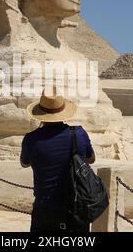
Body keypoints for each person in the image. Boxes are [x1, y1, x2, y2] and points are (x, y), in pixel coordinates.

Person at [20, 86, 95, 232]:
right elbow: (91, 159)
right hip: (76, 208)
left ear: (40, 113)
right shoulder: (79, 134)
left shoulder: (31, 139)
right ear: (63, 110)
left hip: (45, 209)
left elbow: (24, 163)